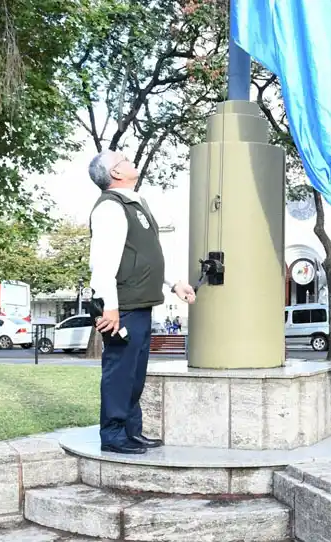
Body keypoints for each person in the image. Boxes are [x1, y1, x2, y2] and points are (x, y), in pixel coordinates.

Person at [88, 149, 197, 455]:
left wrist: (175, 283)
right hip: (122, 306)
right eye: (120, 159)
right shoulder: (109, 208)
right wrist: (109, 306)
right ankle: (112, 434)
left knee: (134, 373)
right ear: (116, 174)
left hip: (141, 303)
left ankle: (131, 431)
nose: (127, 158)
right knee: (119, 371)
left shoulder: (136, 203)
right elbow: (103, 262)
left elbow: (150, 254)